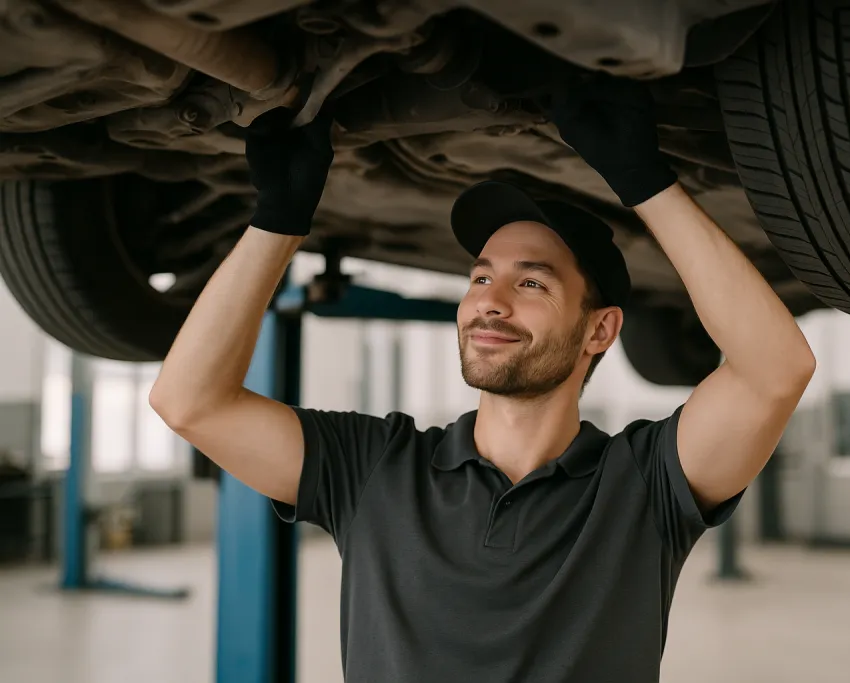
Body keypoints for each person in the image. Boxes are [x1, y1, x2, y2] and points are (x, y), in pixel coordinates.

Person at [149, 75, 816, 683]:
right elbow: (188, 401)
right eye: (479, 277)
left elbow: (775, 369)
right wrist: (277, 220)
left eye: (531, 283)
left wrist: (646, 182)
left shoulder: (644, 484)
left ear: (600, 330)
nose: (489, 302)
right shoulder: (376, 467)